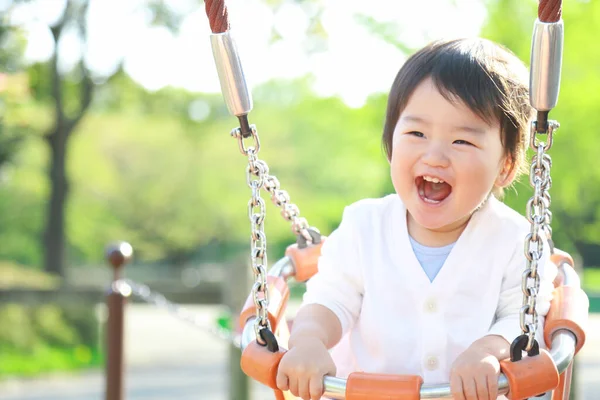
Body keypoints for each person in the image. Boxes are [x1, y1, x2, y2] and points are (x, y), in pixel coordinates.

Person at [275, 38, 557, 400]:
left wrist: (489, 350)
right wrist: (309, 341)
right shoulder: (364, 226)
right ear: (392, 145)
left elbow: (525, 314)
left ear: (505, 166)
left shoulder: (516, 239)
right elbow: (331, 299)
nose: (435, 155)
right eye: (416, 133)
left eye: (463, 142)